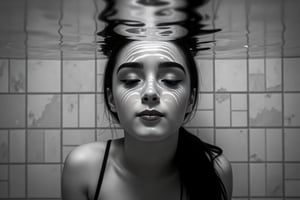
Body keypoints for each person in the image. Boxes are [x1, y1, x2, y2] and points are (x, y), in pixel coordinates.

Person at [62, 39, 233, 200]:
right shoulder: (82, 168)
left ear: (190, 100)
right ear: (112, 99)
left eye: (170, 80)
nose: (150, 93)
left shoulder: (216, 171)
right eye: (131, 80)